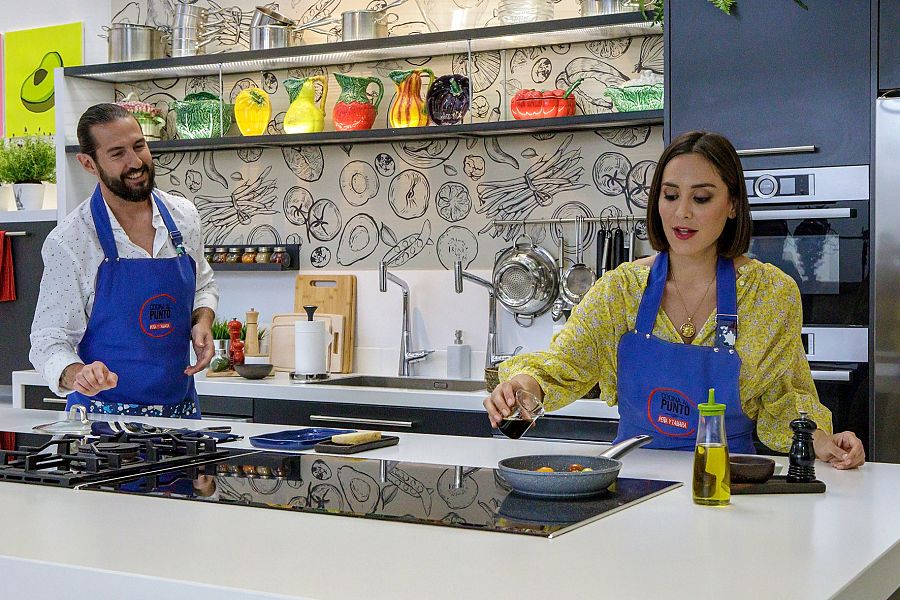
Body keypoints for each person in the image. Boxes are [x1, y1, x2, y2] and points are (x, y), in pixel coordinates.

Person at [487, 131, 865, 469]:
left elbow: (784, 395)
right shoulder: (620, 291)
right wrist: (523, 388)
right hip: (633, 485)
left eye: (701, 197)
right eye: (670, 195)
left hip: (728, 486)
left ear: (733, 204)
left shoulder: (769, 295)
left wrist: (820, 441)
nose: (682, 211)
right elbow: (563, 364)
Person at [29, 103, 218, 419]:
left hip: (182, 420)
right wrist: (77, 372)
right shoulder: (71, 240)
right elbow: (48, 340)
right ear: (89, 164)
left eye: (139, 146)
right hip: (100, 427)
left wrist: (203, 322)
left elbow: (203, 285)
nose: (136, 162)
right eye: (117, 154)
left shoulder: (184, 218)